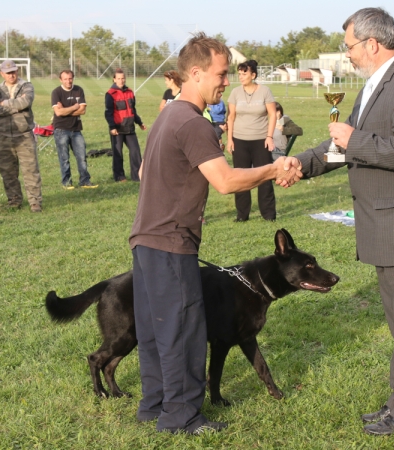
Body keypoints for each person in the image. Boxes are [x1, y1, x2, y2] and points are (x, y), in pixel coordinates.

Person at [283, 8, 394, 435]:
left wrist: (354, 139)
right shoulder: (377, 86)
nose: (348, 55)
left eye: (349, 47)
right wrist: (302, 163)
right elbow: (343, 143)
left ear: (372, 43)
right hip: (390, 226)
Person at [128, 32, 300, 435]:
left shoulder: (167, 116)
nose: (226, 81)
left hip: (145, 241)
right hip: (171, 244)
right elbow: (224, 181)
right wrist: (274, 169)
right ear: (195, 73)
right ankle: (183, 417)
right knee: (185, 330)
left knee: (155, 329)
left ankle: (153, 406)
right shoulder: (193, 123)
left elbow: (142, 173)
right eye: (221, 74)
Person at [0, 60, 43, 212]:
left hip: (24, 135)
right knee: (7, 171)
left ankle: (35, 202)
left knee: (31, 170)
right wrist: (15, 108)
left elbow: (25, 102)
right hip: (3, 136)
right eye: (8, 73)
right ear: (1, 74)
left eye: (13, 71)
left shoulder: (26, 86)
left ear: (17, 71)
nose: (11, 75)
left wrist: (5, 103)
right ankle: (14, 199)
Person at [226, 60, 277, 222]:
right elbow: (231, 117)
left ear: (253, 75)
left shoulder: (265, 91)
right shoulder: (235, 93)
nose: (241, 77)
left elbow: (273, 114)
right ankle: (242, 215)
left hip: (261, 140)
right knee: (241, 178)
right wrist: (229, 140)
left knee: (265, 177)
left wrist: (269, 137)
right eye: (239, 74)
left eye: (244, 73)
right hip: (239, 140)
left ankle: (268, 214)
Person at [51, 69, 97, 189]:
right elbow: (58, 113)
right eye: (65, 79)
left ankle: (85, 181)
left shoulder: (78, 90)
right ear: (61, 80)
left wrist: (66, 109)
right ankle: (67, 183)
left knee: (82, 157)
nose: (68, 81)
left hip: (76, 129)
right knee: (64, 158)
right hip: (61, 129)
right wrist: (75, 107)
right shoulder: (56, 92)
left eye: (70, 78)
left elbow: (83, 110)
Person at [105, 69, 146, 182]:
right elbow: (108, 113)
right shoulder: (110, 94)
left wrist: (139, 122)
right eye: (118, 78)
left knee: (135, 151)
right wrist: (112, 127)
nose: (121, 80)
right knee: (118, 153)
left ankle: (137, 176)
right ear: (114, 79)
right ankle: (119, 176)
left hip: (130, 128)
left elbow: (133, 110)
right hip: (117, 129)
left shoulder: (130, 92)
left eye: (123, 78)